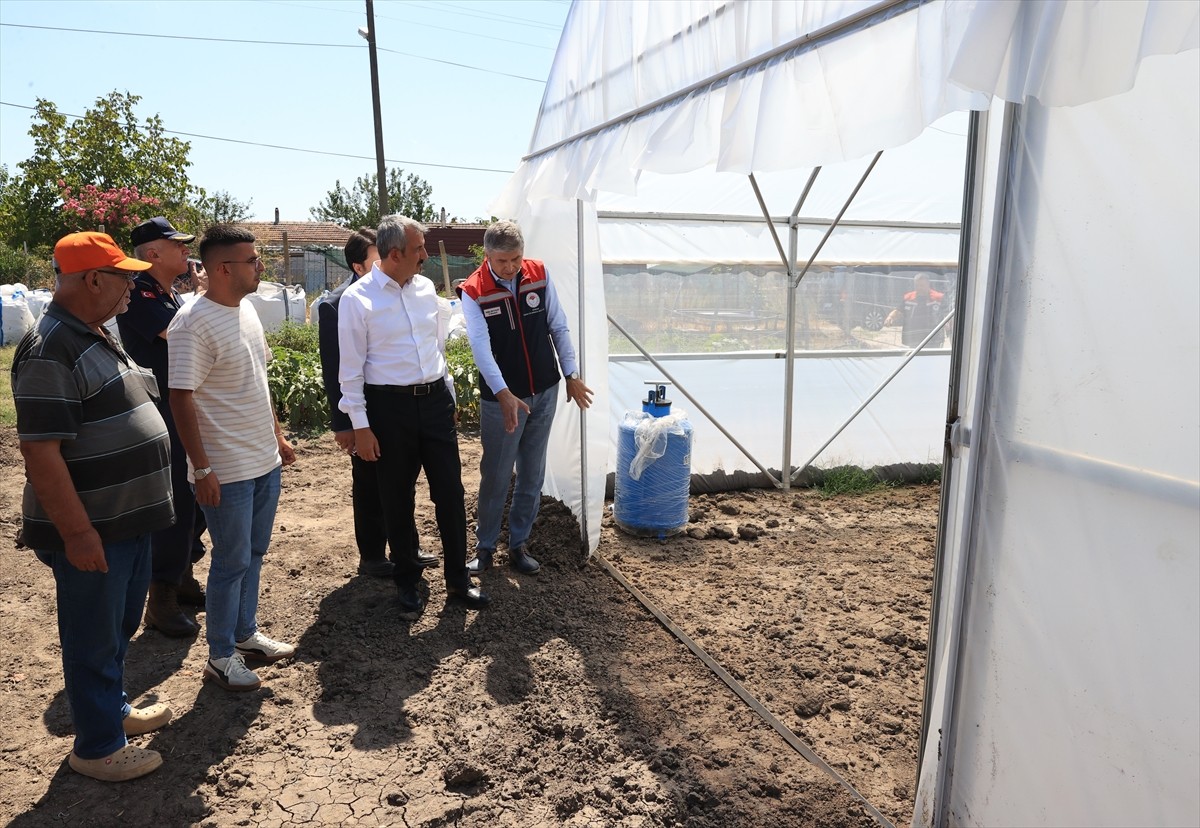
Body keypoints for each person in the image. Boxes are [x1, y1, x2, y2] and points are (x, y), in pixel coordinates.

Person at [12, 232, 176, 781]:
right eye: (126, 277)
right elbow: (41, 452)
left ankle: (113, 710)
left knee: (118, 625)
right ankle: (97, 746)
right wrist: (78, 534)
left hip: (126, 519)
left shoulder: (94, 333)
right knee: (92, 633)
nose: (134, 286)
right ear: (93, 280)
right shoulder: (49, 346)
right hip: (94, 526)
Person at [338, 214, 490, 620]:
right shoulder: (358, 301)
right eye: (419, 249)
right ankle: (407, 582)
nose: (425, 255)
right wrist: (361, 426)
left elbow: (435, 351)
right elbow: (350, 371)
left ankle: (458, 580)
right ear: (394, 255)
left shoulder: (426, 291)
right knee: (396, 498)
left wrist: (449, 397)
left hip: (434, 403)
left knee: (451, 493)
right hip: (389, 410)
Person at [168, 224, 297, 692]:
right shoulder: (192, 323)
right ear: (223, 268)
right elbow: (180, 398)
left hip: (262, 461)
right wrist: (201, 468)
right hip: (226, 470)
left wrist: (277, 439)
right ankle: (220, 655)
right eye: (253, 260)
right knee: (230, 560)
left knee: (253, 553)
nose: (261, 266)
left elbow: (258, 382)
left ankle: (244, 634)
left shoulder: (244, 311)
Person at [457, 219, 593, 575]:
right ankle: (485, 547)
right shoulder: (474, 291)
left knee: (532, 474)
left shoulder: (539, 274)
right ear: (487, 256)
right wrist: (503, 394)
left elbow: (558, 325)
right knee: (497, 475)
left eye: (516, 258)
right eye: (502, 261)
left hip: (544, 390)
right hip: (501, 401)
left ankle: (518, 544)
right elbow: (480, 349)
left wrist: (571, 374)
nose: (511, 267)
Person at [318, 228, 437, 577]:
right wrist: (346, 424)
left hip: (394, 410)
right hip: (365, 413)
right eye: (375, 256)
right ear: (358, 265)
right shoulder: (337, 304)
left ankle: (407, 547)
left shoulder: (404, 291)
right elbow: (335, 370)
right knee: (370, 485)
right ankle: (372, 555)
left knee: (401, 481)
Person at [117, 216, 206, 637]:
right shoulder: (139, 291)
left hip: (181, 403)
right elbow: (182, 336)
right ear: (153, 252)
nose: (185, 250)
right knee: (178, 499)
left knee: (197, 493)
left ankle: (182, 570)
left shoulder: (167, 293)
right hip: (160, 409)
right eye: (177, 245)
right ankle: (162, 595)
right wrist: (207, 298)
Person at [885, 273, 946, 348]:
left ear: (928, 284)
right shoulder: (908, 298)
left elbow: (947, 313)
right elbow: (898, 310)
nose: (919, 288)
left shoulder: (938, 298)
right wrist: (890, 317)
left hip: (933, 339)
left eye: (922, 285)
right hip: (914, 339)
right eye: (917, 285)